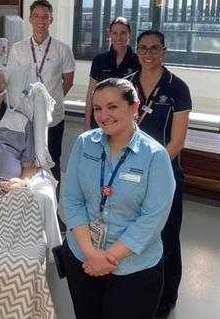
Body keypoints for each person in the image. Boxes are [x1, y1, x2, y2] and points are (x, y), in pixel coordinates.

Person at [62, 77, 175, 319]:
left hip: (133, 269)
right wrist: (90, 252)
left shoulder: (155, 156)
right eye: (98, 108)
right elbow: (71, 199)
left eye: (113, 106)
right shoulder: (85, 144)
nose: (104, 116)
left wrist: (107, 258)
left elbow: (152, 219)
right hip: (83, 259)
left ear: (134, 108)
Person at [125, 29, 191, 318]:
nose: (148, 54)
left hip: (165, 174)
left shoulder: (177, 88)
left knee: (166, 236)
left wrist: (152, 170)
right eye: (143, 48)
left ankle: (166, 298)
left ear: (164, 51)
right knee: (131, 232)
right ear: (136, 51)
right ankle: (135, 289)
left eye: (154, 48)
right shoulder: (125, 85)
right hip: (127, 174)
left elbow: (177, 140)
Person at [7, 0, 75, 185]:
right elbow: (12, 80)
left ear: (51, 20)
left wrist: (48, 101)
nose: (41, 20)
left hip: (54, 117)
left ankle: (53, 208)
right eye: (36, 16)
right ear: (30, 19)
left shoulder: (62, 49)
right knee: (26, 160)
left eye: (45, 16)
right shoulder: (17, 49)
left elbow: (68, 81)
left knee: (52, 161)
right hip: (25, 116)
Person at [84, 17, 141, 130]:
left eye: (123, 33)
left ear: (130, 34)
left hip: (124, 120)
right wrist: (87, 124)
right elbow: (91, 93)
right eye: (115, 33)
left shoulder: (138, 61)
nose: (118, 37)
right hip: (101, 119)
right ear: (110, 34)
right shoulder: (99, 60)